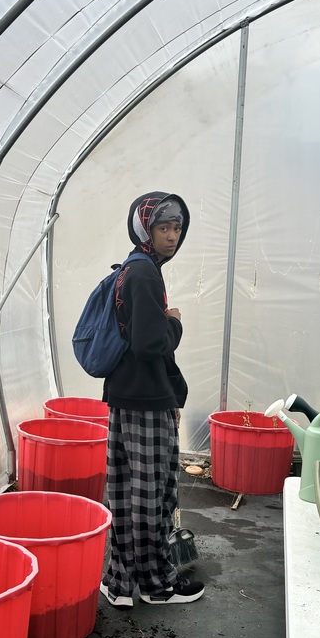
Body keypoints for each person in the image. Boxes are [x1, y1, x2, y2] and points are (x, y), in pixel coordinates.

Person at [99, 191, 205, 606]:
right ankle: (157, 586)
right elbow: (148, 344)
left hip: (127, 394)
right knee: (152, 494)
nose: (172, 236)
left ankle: (120, 583)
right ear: (146, 229)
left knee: (127, 493)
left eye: (177, 228)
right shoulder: (144, 274)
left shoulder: (134, 268)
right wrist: (174, 323)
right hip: (145, 400)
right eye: (163, 227)